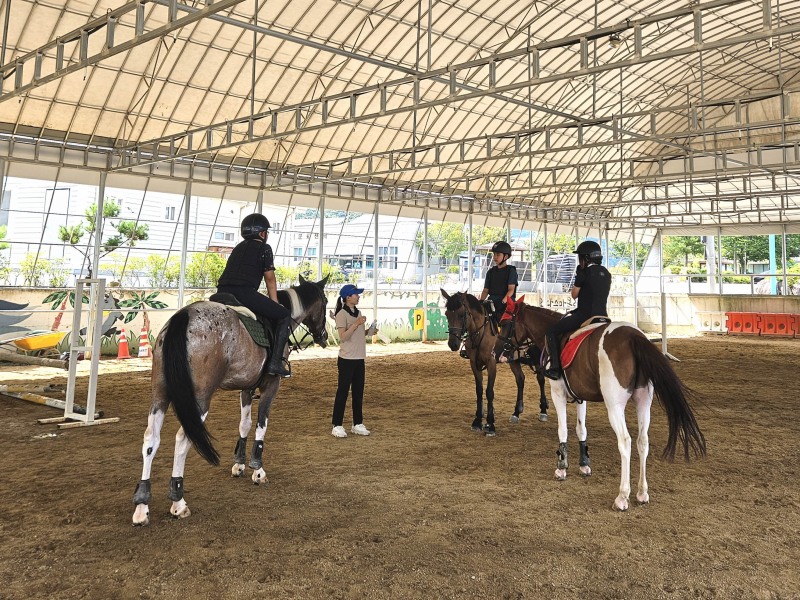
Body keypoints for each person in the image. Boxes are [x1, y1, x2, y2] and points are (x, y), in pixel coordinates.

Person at [217, 213, 292, 378]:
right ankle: (274, 363)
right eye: (266, 232)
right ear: (262, 233)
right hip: (243, 292)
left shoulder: (238, 247)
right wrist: (275, 303)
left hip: (221, 291)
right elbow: (270, 279)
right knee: (284, 316)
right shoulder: (264, 248)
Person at [543, 240, 611, 380]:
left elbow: (574, 295)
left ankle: (555, 368)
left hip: (585, 316)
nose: (579, 261)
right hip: (603, 316)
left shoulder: (584, 272)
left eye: (580, 257)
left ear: (586, 258)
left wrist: (579, 277)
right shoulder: (607, 273)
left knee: (551, 331)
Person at [331, 283, 374, 438]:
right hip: (347, 358)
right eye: (355, 294)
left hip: (359, 358)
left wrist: (369, 331)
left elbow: (358, 335)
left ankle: (357, 423)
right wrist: (356, 324)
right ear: (347, 297)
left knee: (358, 392)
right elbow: (343, 337)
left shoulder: (358, 312)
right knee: (342, 392)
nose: (358, 296)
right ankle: (337, 424)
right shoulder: (341, 314)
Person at [479, 240, 518, 321]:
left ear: (506, 257)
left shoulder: (511, 271)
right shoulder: (490, 272)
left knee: (505, 322)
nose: (495, 257)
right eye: (494, 254)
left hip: (506, 303)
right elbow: (486, 290)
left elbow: (511, 290)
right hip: (492, 303)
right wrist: (481, 301)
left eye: (498, 255)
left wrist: (502, 302)